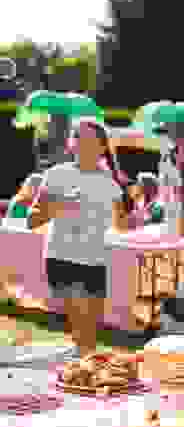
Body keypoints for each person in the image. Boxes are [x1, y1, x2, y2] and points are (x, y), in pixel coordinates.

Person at [39, 118, 128, 356]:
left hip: (96, 261)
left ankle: (83, 378)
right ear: (71, 144)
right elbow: (32, 219)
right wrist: (61, 205)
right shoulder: (55, 175)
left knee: (89, 336)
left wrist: (133, 220)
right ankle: (80, 376)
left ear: (102, 146)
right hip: (63, 258)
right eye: (78, 137)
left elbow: (122, 225)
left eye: (90, 139)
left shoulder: (111, 182)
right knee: (81, 332)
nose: (83, 143)